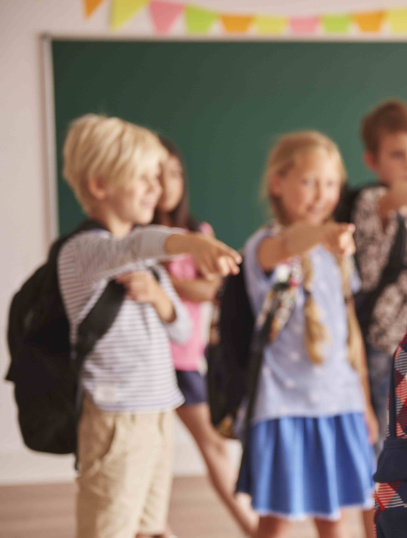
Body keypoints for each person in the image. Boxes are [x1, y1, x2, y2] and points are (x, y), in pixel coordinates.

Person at [59, 113, 240, 538]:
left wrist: (161, 297)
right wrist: (192, 242)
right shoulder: (84, 251)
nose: (156, 189)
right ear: (100, 185)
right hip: (116, 420)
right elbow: (137, 242)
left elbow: (181, 333)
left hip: (156, 413)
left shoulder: (146, 265)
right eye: (143, 178)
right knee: (109, 528)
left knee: (151, 527)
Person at [236, 131, 378, 538]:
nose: (322, 193)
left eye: (331, 183)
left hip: (339, 402)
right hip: (285, 405)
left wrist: (364, 403)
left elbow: (350, 336)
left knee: (333, 518)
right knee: (274, 520)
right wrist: (323, 235)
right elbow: (288, 244)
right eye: (309, 181)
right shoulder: (265, 245)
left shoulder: (335, 254)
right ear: (277, 183)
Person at [152, 136, 258, 536]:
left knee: (213, 445)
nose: (168, 182)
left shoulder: (198, 233)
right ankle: (155, 526)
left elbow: (211, 288)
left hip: (184, 358)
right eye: (158, 174)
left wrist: (159, 283)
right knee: (153, 449)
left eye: (175, 173)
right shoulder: (134, 238)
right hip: (148, 360)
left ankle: (251, 527)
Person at [350, 99, 407, 457]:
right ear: (373, 160)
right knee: (387, 450)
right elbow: (392, 198)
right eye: (397, 155)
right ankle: (380, 514)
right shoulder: (373, 200)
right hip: (385, 346)